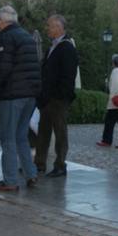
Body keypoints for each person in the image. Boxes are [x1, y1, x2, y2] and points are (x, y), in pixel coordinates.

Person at [0, 5, 41, 191]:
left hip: (13, 94)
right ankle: (31, 174)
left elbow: (3, 69)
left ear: (1, 21)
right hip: (30, 94)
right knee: (21, 135)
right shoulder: (27, 37)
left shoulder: (6, 37)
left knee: (7, 137)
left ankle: (10, 180)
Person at [34, 14, 78, 178]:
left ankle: (60, 164)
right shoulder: (53, 47)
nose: (47, 29)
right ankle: (39, 163)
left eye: (50, 26)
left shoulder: (67, 47)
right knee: (43, 131)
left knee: (60, 132)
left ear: (59, 28)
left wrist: (60, 95)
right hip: (47, 97)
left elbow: (68, 75)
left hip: (58, 98)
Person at [98, 54, 118, 149]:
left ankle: (106, 140)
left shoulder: (115, 71)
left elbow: (114, 86)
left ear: (114, 63)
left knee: (109, 122)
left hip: (117, 102)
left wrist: (111, 97)